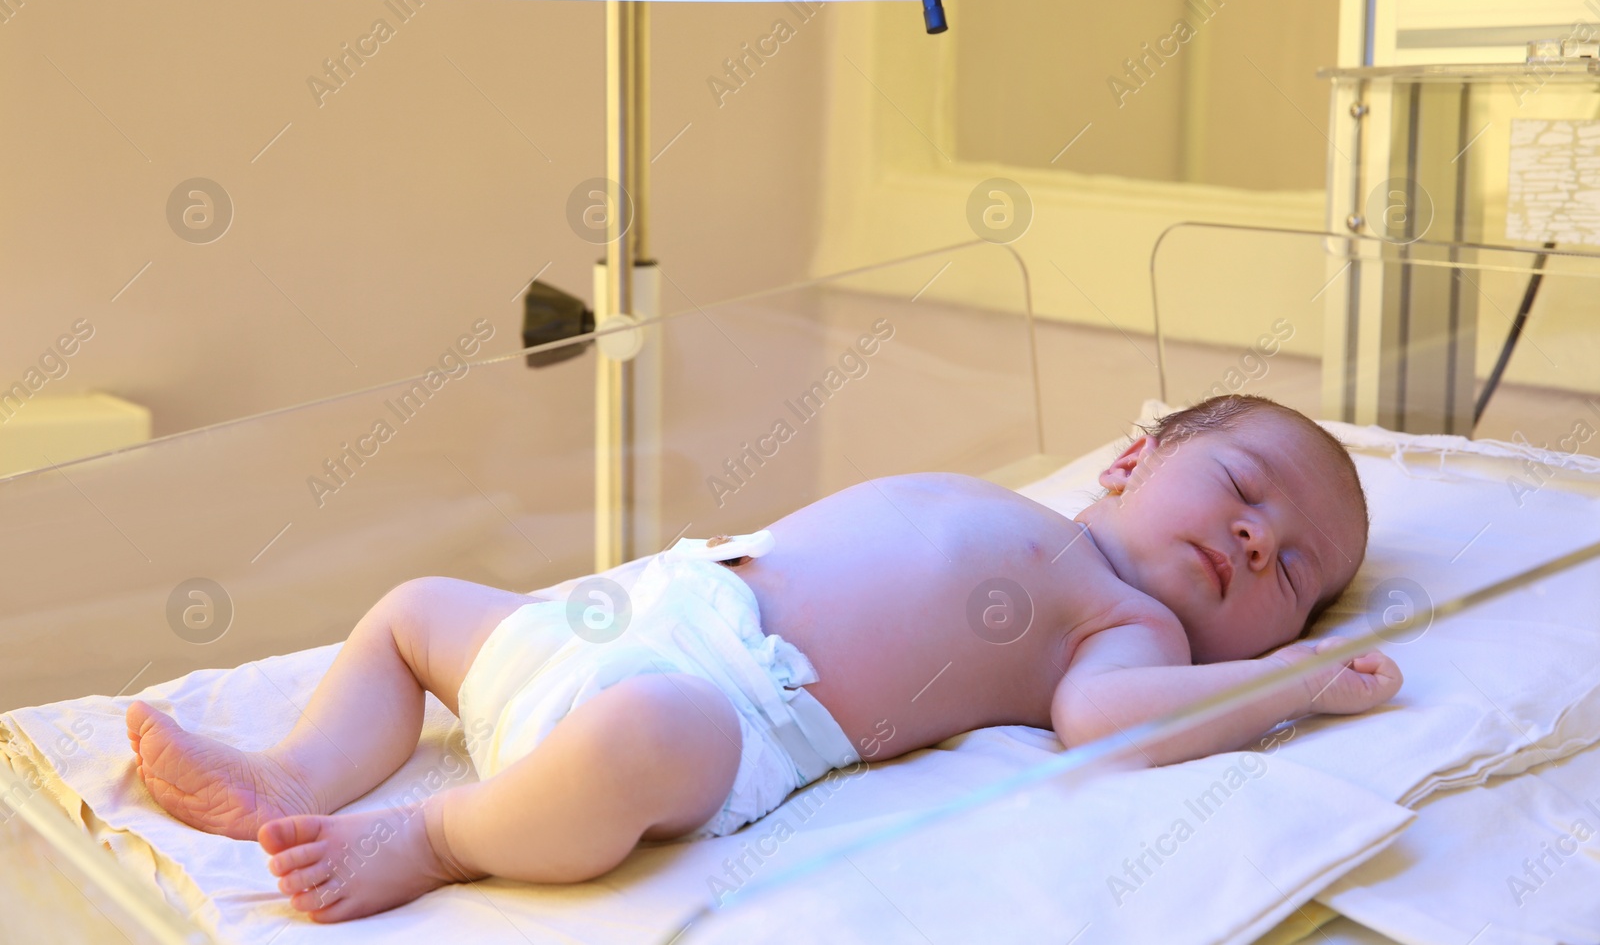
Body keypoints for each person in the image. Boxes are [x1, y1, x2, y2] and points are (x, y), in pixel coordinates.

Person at [126, 393, 1400, 922]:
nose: (1255, 538)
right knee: (413, 608)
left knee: (640, 741)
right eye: (1242, 490)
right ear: (1127, 462)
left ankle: (441, 835)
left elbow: (1113, 719)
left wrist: (1292, 684)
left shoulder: (1131, 627)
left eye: (1293, 572)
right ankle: (295, 770)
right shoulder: (1033, 509)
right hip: (624, 615)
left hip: (726, 705)